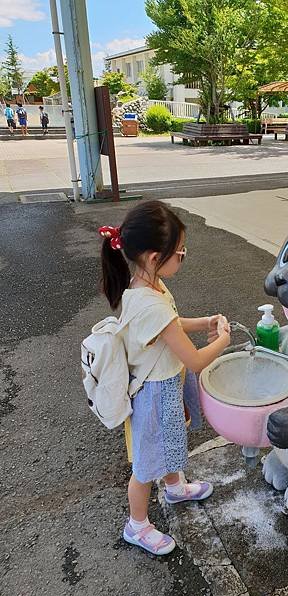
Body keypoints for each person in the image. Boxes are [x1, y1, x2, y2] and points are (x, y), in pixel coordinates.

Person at [99, 201, 231, 556]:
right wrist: (223, 340)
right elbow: (196, 358)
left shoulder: (149, 284)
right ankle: (137, 525)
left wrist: (205, 322)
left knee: (171, 440)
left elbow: (172, 324)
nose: (183, 259)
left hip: (165, 384)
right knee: (144, 465)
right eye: (181, 253)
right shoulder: (149, 303)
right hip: (153, 393)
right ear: (156, 256)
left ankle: (174, 486)